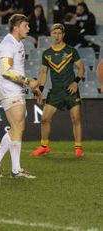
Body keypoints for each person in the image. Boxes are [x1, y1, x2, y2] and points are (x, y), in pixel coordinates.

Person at [0, 14, 41, 179]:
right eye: (25, 25)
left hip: (16, 90)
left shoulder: (18, 43)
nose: (28, 28)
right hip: (9, 90)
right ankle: (15, 170)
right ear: (16, 28)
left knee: (18, 128)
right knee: (17, 127)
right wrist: (28, 81)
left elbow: (18, 69)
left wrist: (31, 87)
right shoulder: (8, 44)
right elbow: (6, 71)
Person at [31, 24, 85, 158]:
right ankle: (44, 146)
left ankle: (78, 148)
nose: (57, 35)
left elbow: (81, 68)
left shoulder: (71, 51)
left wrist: (75, 82)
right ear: (51, 34)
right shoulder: (47, 54)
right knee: (44, 119)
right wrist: (40, 89)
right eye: (54, 33)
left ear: (63, 34)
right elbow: (43, 72)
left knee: (76, 119)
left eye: (59, 33)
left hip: (70, 90)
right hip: (55, 91)